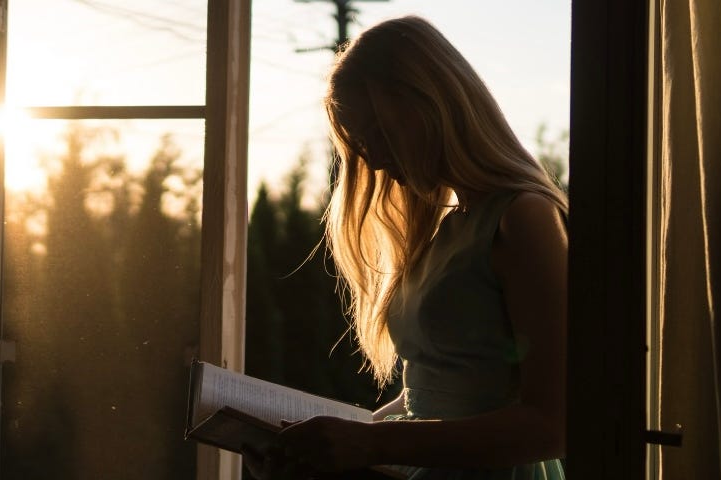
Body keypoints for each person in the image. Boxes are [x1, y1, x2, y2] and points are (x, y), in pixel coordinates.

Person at [241, 15, 569, 480]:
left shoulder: (525, 217)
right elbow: (426, 396)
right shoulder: (448, 231)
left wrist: (369, 443)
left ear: (427, 105)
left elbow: (551, 425)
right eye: (359, 144)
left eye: (377, 133)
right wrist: (312, 453)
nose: (371, 158)